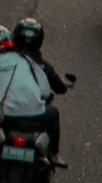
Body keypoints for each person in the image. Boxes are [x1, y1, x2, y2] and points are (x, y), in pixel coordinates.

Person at [0, 24, 53, 147]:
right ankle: (54, 153)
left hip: (8, 116)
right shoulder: (34, 62)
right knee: (53, 113)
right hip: (34, 116)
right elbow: (45, 90)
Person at [12, 14, 70, 152]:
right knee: (54, 113)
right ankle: (54, 154)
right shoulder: (45, 68)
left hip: (10, 110)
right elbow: (61, 88)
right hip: (36, 113)